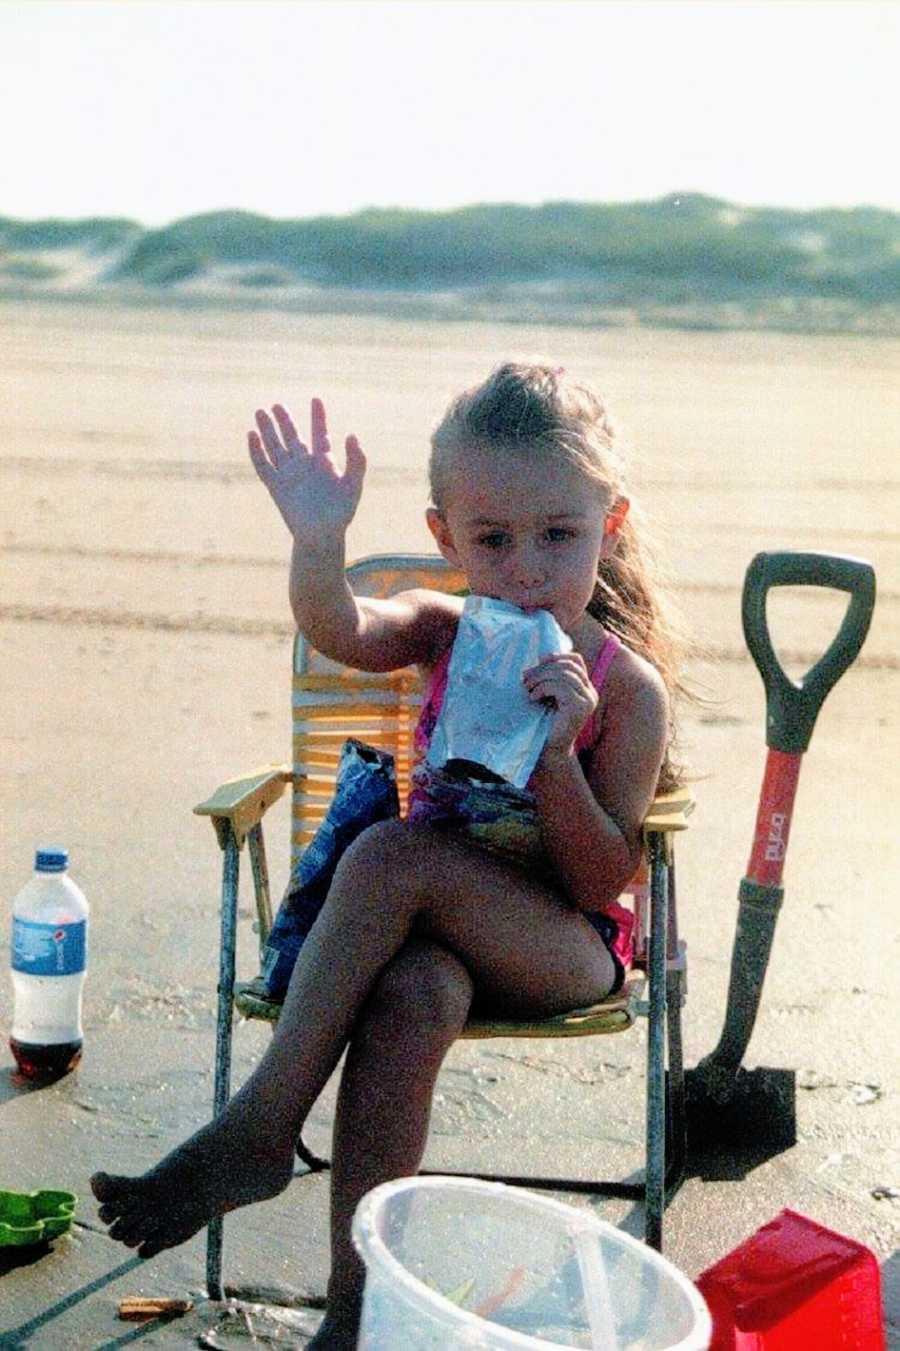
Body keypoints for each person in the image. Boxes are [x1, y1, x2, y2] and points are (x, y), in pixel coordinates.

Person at [92, 362, 685, 1349]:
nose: (527, 568)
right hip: (436, 939)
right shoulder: (441, 629)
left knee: (391, 854)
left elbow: (598, 881)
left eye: (558, 536)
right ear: (444, 537)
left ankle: (260, 1127)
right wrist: (318, 540)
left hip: (563, 946)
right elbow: (339, 626)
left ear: (608, 525)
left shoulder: (625, 690)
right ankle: (356, 1315)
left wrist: (552, 756)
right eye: (491, 540)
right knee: (412, 996)